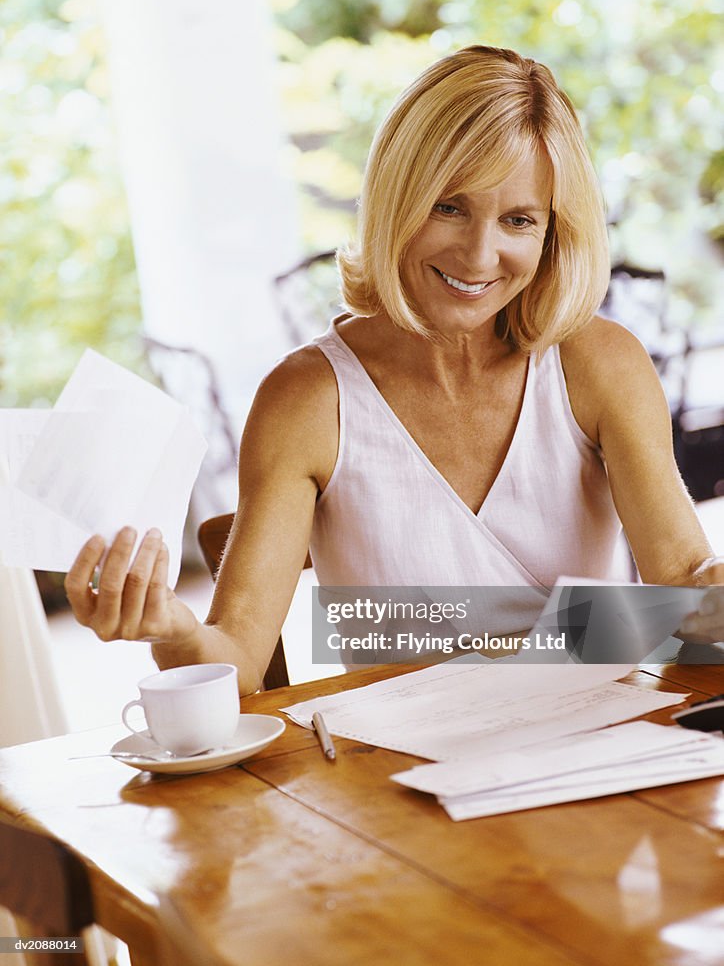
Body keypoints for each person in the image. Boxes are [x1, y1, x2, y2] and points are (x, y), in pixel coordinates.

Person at [65, 45, 724, 692]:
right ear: (396, 196)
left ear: (551, 234)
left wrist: (705, 601)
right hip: (395, 779)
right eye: (449, 206)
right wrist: (171, 630)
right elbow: (236, 655)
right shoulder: (308, 400)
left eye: (518, 220)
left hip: (597, 750)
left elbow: (686, 582)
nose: (479, 253)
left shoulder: (597, 363)